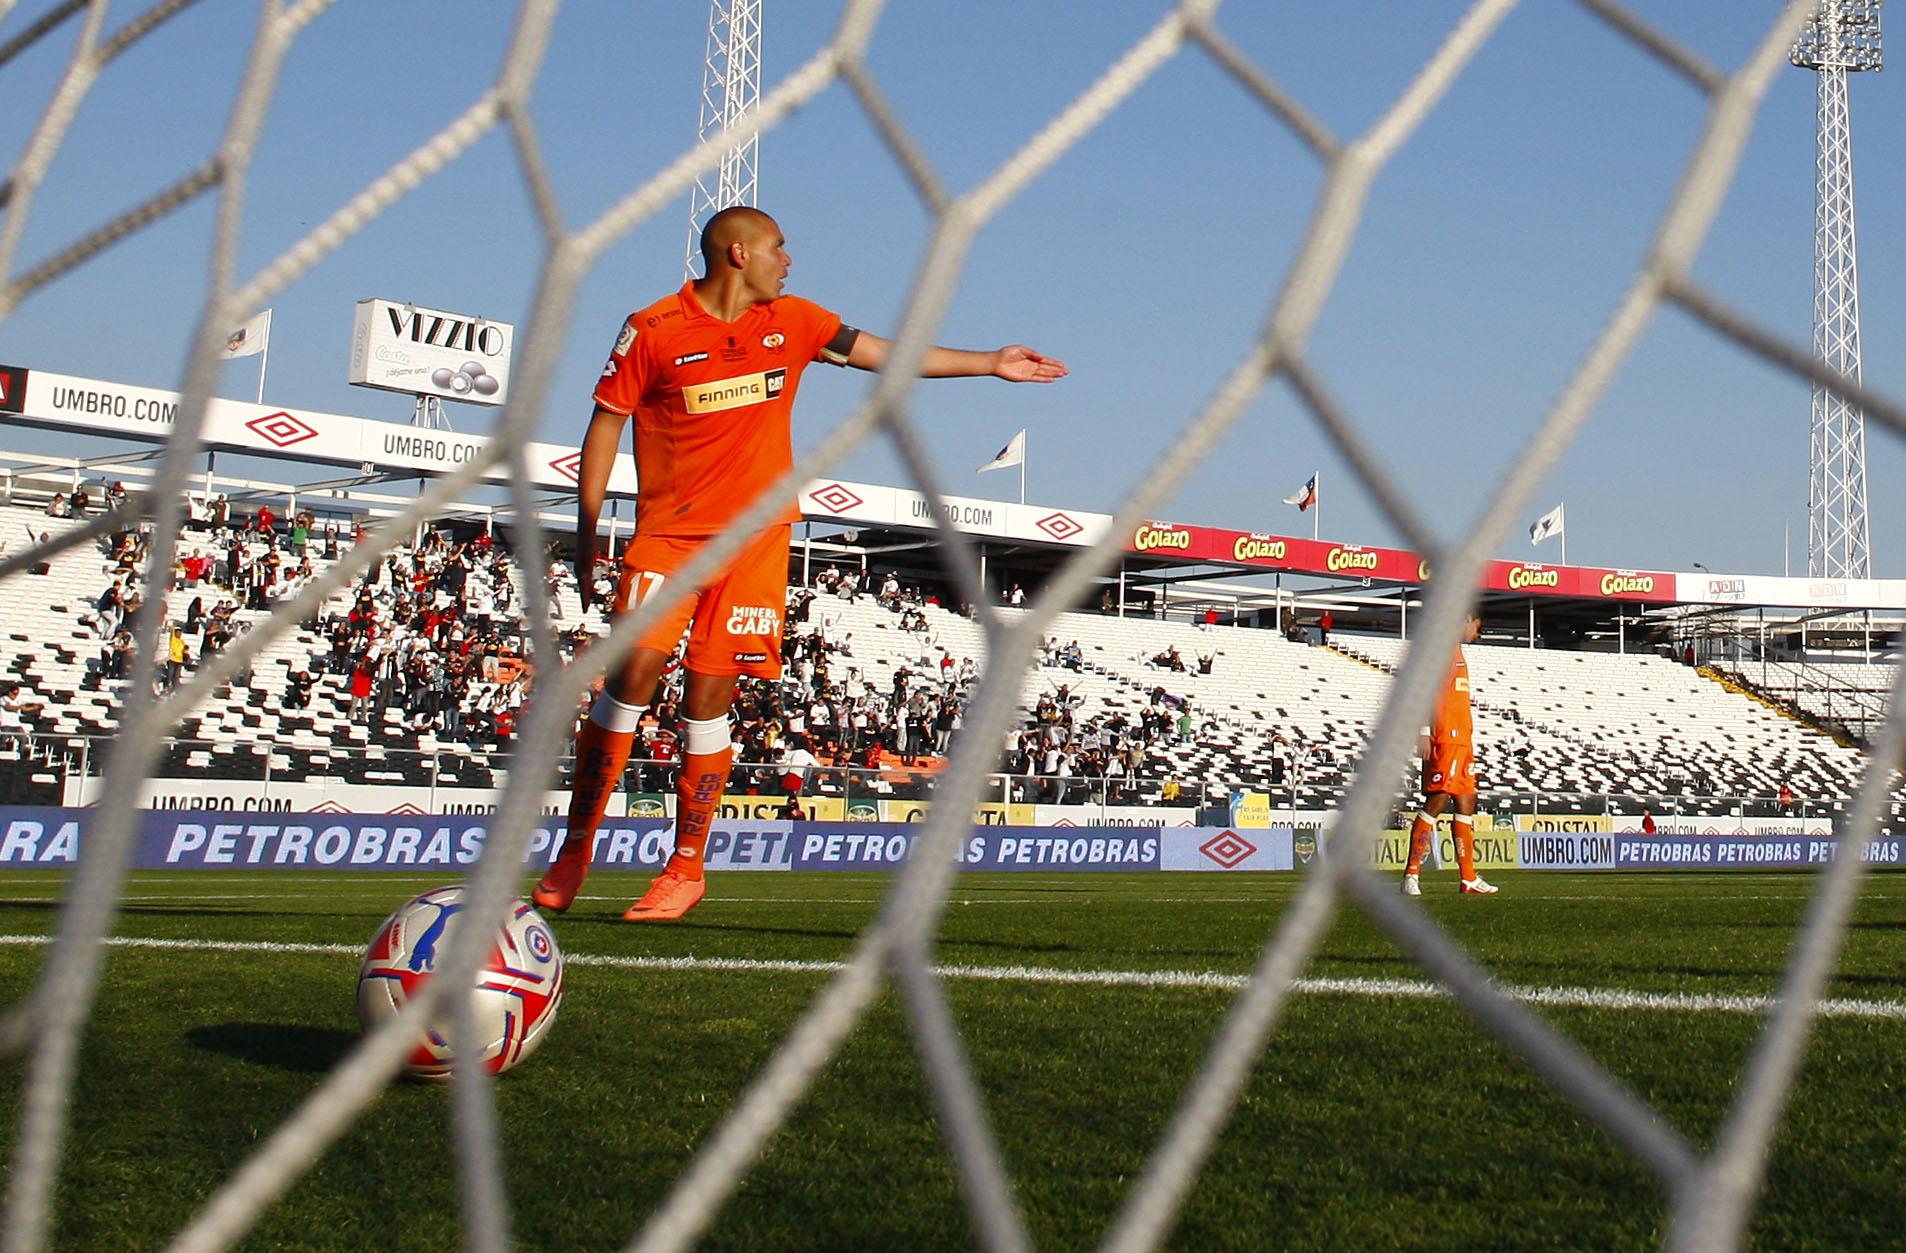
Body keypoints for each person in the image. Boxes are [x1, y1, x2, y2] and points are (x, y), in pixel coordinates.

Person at [533, 206, 1066, 921]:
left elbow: (886, 353)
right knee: (631, 677)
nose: (789, 260)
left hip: (756, 542)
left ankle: (685, 867)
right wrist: (589, 530)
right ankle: (577, 845)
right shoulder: (653, 329)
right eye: (778, 248)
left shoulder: (797, 321)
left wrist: (987, 363)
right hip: (670, 539)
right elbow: (605, 422)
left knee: (708, 697)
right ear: (736, 253)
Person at [1401, 612, 1497, 896]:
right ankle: (1411, 875)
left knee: (1466, 802)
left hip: (1463, 740)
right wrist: (1422, 729)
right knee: (1438, 800)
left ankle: (1468, 878)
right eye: (1477, 628)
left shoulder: (1456, 652)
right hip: (1446, 737)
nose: (1477, 635)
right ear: (1466, 619)